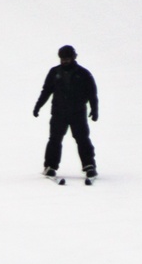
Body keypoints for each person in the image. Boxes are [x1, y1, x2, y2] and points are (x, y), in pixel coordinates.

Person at [33, 45, 100, 180]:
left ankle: (89, 166)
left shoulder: (83, 74)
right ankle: (50, 166)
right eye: (62, 58)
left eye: (67, 58)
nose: (65, 61)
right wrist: (38, 106)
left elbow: (92, 93)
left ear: (74, 57)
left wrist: (94, 109)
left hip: (78, 113)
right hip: (59, 113)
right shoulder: (54, 72)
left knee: (82, 139)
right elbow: (46, 91)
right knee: (54, 140)